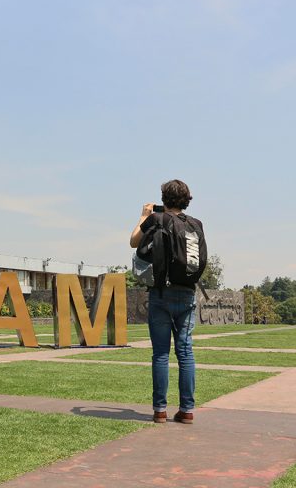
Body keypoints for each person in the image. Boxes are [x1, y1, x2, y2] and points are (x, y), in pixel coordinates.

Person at [130, 179, 202, 425]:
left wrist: (143, 216)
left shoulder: (156, 219)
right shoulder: (195, 224)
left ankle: (160, 410)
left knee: (161, 353)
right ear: (187, 199)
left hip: (161, 292)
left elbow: (133, 241)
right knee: (185, 352)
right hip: (187, 293)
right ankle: (187, 410)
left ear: (164, 199)